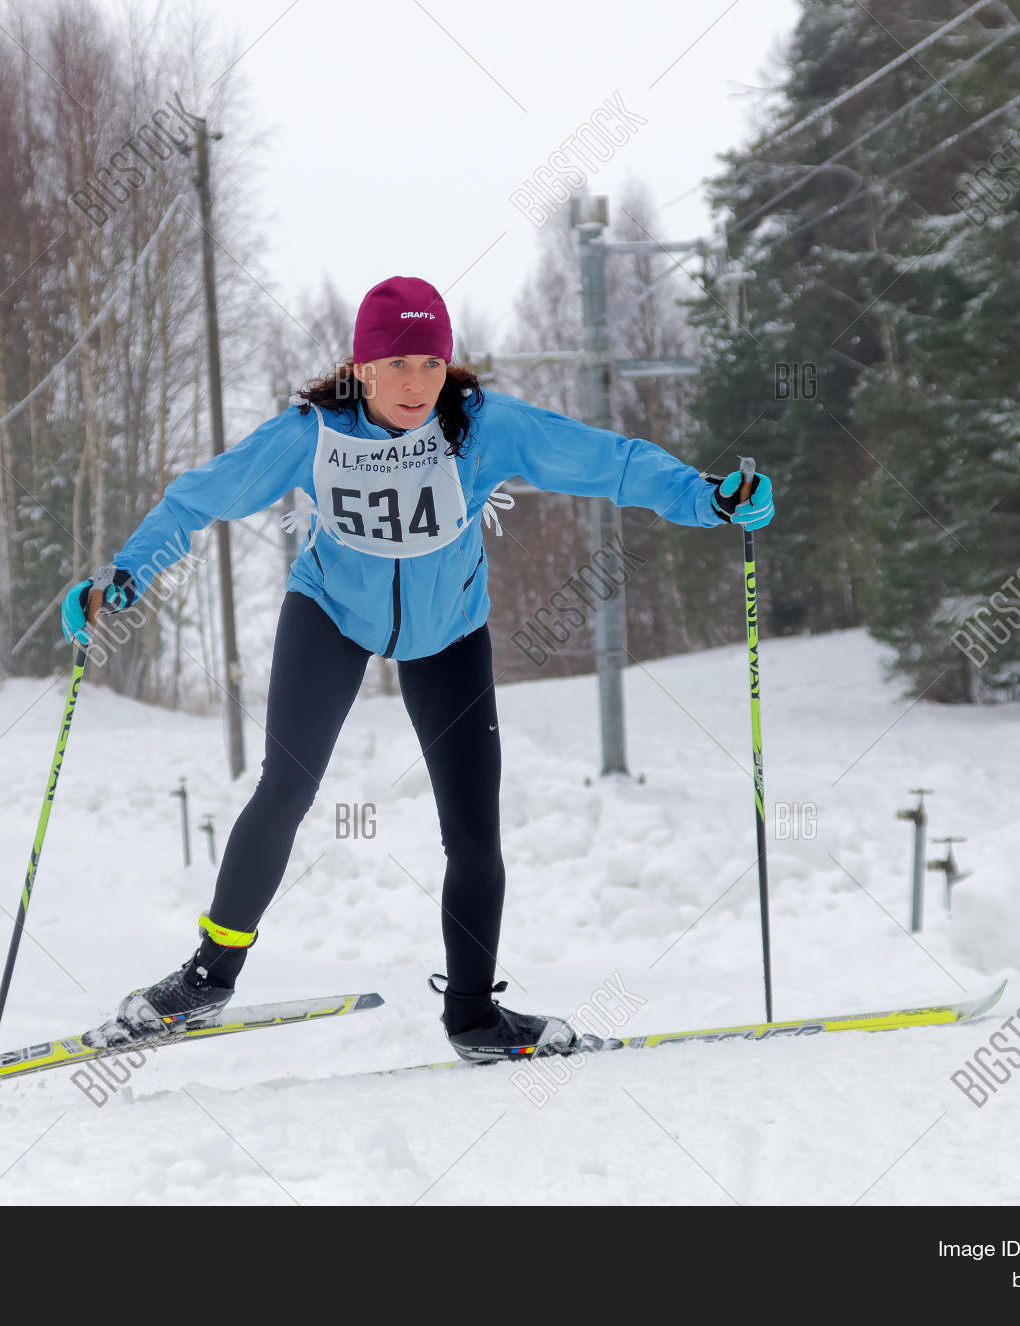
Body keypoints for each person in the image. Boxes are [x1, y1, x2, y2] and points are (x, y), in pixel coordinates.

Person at [61, 275, 775, 1061]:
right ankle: (207, 978)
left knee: (473, 831)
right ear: (361, 367)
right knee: (287, 785)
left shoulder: (482, 428)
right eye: (397, 364)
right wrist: (122, 577)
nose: (415, 384)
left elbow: (610, 463)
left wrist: (709, 498)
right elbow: (198, 499)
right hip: (330, 614)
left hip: (449, 633)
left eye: (431, 364)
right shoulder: (312, 435)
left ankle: (473, 1019)